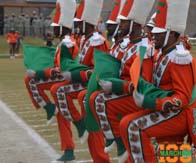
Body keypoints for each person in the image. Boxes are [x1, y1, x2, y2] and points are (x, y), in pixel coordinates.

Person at [119, 0, 196, 162]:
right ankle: (184, 154)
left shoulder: (180, 57)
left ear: (172, 34)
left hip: (179, 113)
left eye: (159, 32)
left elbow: (183, 97)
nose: (153, 34)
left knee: (131, 126)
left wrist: (161, 103)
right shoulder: (160, 53)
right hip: (166, 110)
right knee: (169, 154)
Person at [88, 0, 156, 162]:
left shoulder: (144, 47)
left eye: (125, 22)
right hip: (128, 93)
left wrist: (117, 85)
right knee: (93, 98)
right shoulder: (131, 44)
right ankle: (116, 139)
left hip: (142, 97)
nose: (121, 24)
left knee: (99, 101)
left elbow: (144, 83)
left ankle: (118, 141)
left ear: (136, 25)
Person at [51, 0, 111, 162]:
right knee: (59, 93)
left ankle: (99, 156)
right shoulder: (85, 39)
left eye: (80, 23)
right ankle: (73, 141)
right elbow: (79, 65)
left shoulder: (97, 41)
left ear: (88, 23)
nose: (76, 26)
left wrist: (77, 74)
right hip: (83, 82)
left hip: (94, 85)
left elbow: (100, 70)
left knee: (92, 122)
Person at [24, 0, 78, 162]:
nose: (52, 29)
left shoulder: (70, 42)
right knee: (62, 114)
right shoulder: (65, 41)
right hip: (66, 81)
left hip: (78, 82)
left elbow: (63, 70)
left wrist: (42, 72)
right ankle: (69, 149)